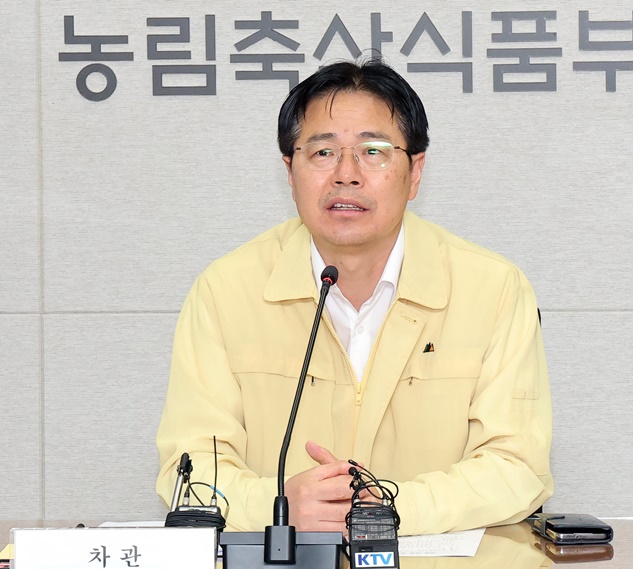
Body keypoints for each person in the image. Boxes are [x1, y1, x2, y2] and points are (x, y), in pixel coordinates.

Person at [156, 58, 553, 537]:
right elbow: (190, 467)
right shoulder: (225, 290)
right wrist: (278, 508)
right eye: (323, 152)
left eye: (374, 151)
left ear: (415, 171)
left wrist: (386, 508)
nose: (347, 174)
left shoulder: (492, 289)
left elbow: (516, 467)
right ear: (290, 171)